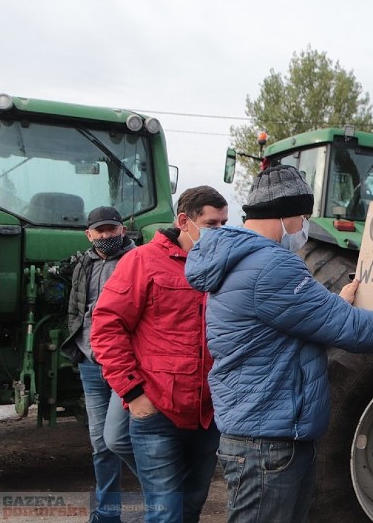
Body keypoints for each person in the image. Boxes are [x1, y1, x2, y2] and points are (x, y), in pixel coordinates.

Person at [184, 165, 373, 523]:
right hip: (269, 443)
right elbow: (349, 330)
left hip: (264, 432)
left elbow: (292, 317)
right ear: (284, 214)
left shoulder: (244, 260)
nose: (304, 226)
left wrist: (335, 301)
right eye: (303, 216)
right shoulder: (271, 265)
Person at [91, 186, 228, 523]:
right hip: (157, 414)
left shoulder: (223, 267)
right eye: (212, 224)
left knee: (190, 509)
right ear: (184, 221)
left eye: (225, 224)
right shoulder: (142, 261)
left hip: (208, 415)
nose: (220, 232)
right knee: (166, 514)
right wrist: (134, 394)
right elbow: (107, 327)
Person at [62, 206, 137, 523]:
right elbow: (78, 307)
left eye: (112, 229)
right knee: (100, 444)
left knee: (123, 438)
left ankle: (168, 491)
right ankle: (107, 514)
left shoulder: (138, 261)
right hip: (92, 365)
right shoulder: (84, 263)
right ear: (89, 234)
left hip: (127, 366)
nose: (107, 236)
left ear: (123, 230)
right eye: (101, 231)